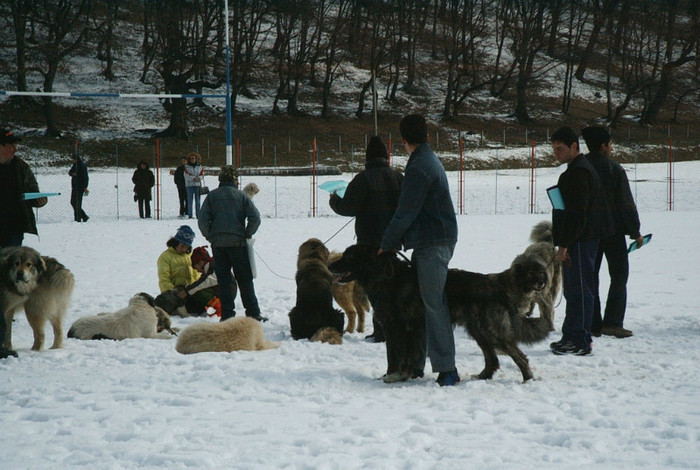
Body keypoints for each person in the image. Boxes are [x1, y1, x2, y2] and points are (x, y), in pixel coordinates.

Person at [379, 115, 459, 386]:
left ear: (402, 141)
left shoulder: (419, 167)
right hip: (433, 240)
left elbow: (406, 212)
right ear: (427, 135)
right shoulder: (428, 160)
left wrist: (387, 243)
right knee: (426, 304)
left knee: (435, 305)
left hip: (433, 242)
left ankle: (447, 369)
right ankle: (417, 364)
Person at [329, 135, 403, 342]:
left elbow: (348, 207)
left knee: (374, 287)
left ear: (367, 157)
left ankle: (380, 331)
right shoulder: (398, 176)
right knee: (392, 285)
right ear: (386, 156)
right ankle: (393, 326)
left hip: (368, 244)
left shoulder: (363, 178)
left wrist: (334, 199)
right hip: (392, 242)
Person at [549, 126, 613, 356]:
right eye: (554, 148)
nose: (556, 152)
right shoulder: (575, 170)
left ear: (574, 146)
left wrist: (564, 244)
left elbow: (577, 214)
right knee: (576, 289)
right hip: (580, 239)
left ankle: (579, 339)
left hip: (581, 240)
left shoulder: (580, 173)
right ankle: (572, 335)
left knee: (579, 290)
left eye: (560, 148)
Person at [582, 126, 644, 339]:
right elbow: (625, 203)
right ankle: (613, 322)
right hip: (613, 231)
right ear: (603, 145)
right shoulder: (614, 169)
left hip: (588, 233)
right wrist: (635, 231)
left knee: (591, 276)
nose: (612, 147)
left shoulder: (581, 167)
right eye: (610, 144)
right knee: (618, 275)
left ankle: (593, 322)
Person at [198, 165, 267, 322]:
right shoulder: (241, 196)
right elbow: (255, 217)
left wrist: (210, 236)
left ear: (220, 179)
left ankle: (227, 315)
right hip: (238, 244)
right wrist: (247, 233)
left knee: (223, 280)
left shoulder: (212, 196)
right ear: (236, 180)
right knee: (244, 279)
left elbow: (202, 220)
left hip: (218, 245)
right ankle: (253, 313)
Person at [0, 128, 48, 248]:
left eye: (16, 146)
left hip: (14, 228)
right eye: (11, 146)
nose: (15, 150)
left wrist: (39, 200)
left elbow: (33, 192)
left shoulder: (21, 168)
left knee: (10, 263)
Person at [157, 225, 200, 294]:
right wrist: (174, 293)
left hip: (191, 292)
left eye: (186, 247)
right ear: (175, 243)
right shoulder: (165, 257)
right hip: (175, 294)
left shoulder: (190, 256)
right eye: (182, 246)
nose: (184, 249)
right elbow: (164, 279)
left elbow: (196, 274)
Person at [69, 153, 89, 222]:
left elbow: (85, 177)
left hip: (80, 187)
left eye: (73, 159)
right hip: (74, 186)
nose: (72, 161)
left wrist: (85, 187)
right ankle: (84, 216)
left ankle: (78, 218)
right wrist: (72, 174)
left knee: (77, 203)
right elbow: (70, 172)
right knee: (73, 202)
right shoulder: (75, 166)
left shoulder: (82, 166)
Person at [183, 151, 204, 219]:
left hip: (197, 185)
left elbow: (202, 175)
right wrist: (193, 178)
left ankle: (198, 214)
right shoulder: (186, 167)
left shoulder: (200, 167)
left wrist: (198, 178)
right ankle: (190, 215)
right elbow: (186, 175)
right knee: (189, 201)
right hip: (189, 185)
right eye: (191, 158)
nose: (193, 160)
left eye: (194, 158)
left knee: (198, 201)